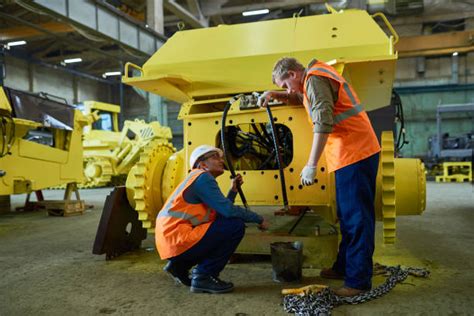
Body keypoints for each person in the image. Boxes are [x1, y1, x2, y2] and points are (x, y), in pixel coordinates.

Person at [259, 57, 380, 297]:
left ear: (293, 74)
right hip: (349, 154)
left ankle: (358, 282)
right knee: (347, 216)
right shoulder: (313, 78)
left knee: (357, 219)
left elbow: (323, 121)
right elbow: (304, 98)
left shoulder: (314, 79)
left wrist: (311, 164)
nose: (288, 90)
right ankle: (344, 267)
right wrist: (277, 94)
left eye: (285, 85)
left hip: (355, 153)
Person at [155, 144, 269, 294]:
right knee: (235, 226)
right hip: (177, 238)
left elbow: (220, 212)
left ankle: (179, 265)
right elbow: (229, 211)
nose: (221, 160)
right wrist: (259, 219)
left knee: (225, 224)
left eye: (220, 157)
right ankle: (204, 275)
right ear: (202, 165)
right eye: (215, 157)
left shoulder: (197, 179)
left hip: (171, 241)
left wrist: (233, 191)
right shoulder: (202, 178)